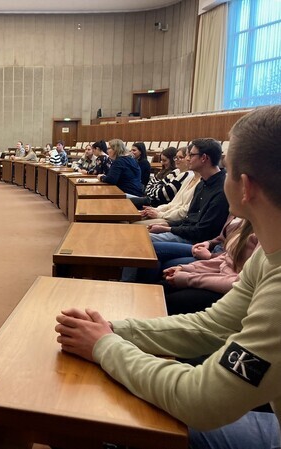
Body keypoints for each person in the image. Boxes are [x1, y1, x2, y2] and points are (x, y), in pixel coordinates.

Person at [55, 106, 281, 449]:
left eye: (229, 169)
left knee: (121, 427)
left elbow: (201, 400)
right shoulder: (268, 253)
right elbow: (212, 326)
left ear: (245, 187)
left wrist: (104, 346)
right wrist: (116, 330)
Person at [162, 218, 258, 315]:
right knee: (162, 285)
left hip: (230, 291)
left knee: (169, 300)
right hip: (219, 275)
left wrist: (189, 278)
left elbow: (239, 282)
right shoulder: (247, 223)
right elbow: (226, 258)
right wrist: (188, 268)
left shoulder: (264, 237)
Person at [148, 138, 229, 244]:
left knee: (144, 240)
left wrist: (168, 229)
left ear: (204, 158)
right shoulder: (202, 183)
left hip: (197, 242)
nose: (187, 159)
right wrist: (167, 225)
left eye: (191, 155)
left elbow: (203, 232)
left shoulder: (222, 189)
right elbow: (189, 219)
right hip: (186, 232)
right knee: (142, 235)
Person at [139, 145, 198, 225]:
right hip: (163, 210)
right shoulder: (186, 176)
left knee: (133, 224)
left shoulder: (188, 175)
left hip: (174, 220)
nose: (188, 159)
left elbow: (163, 194)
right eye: (176, 157)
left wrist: (159, 214)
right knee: (131, 219)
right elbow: (173, 204)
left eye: (181, 157)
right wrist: (157, 210)